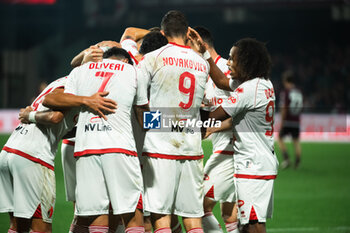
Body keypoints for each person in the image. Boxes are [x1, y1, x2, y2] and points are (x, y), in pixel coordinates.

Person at [43, 47, 149, 233]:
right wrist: (176, 122)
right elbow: (143, 117)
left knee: (96, 217)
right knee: (132, 214)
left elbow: (53, 100)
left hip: (85, 150)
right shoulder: (133, 71)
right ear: (125, 61)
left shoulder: (80, 71)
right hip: (119, 149)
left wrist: (85, 100)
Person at [189, 30, 279, 233]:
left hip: (253, 165)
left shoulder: (248, 91)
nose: (228, 62)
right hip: (256, 163)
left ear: (246, 62)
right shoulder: (261, 84)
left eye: (232, 58)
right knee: (246, 223)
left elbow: (212, 117)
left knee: (254, 225)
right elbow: (221, 81)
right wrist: (205, 54)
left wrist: (170, 117)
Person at [0, 75, 111, 233]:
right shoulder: (75, 84)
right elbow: (54, 114)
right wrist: (30, 116)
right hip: (33, 157)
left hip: (9, 151)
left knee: (19, 226)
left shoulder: (60, 81)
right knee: (42, 228)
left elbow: (60, 126)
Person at [139, 10, 209, 233]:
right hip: (192, 148)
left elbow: (140, 105)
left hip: (161, 148)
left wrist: (154, 123)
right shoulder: (202, 64)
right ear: (188, 33)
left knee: (161, 217)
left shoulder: (152, 58)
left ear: (162, 33)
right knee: (192, 219)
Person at [193, 26, 239, 233]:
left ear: (199, 44)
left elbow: (244, 114)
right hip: (223, 149)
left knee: (198, 206)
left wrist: (213, 128)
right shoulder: (200, 74)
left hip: (234, 150)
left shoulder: (229, 70)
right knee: (229, 212)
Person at [277, 70, 303, 169]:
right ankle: (297, 163)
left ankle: (286, 159)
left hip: (288, 120)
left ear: (285, 81)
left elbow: (284, 108)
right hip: (296, 120)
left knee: (279, 138)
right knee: (296, 141)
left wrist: (282, 122)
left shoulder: (286, 92)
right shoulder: (299, 91)